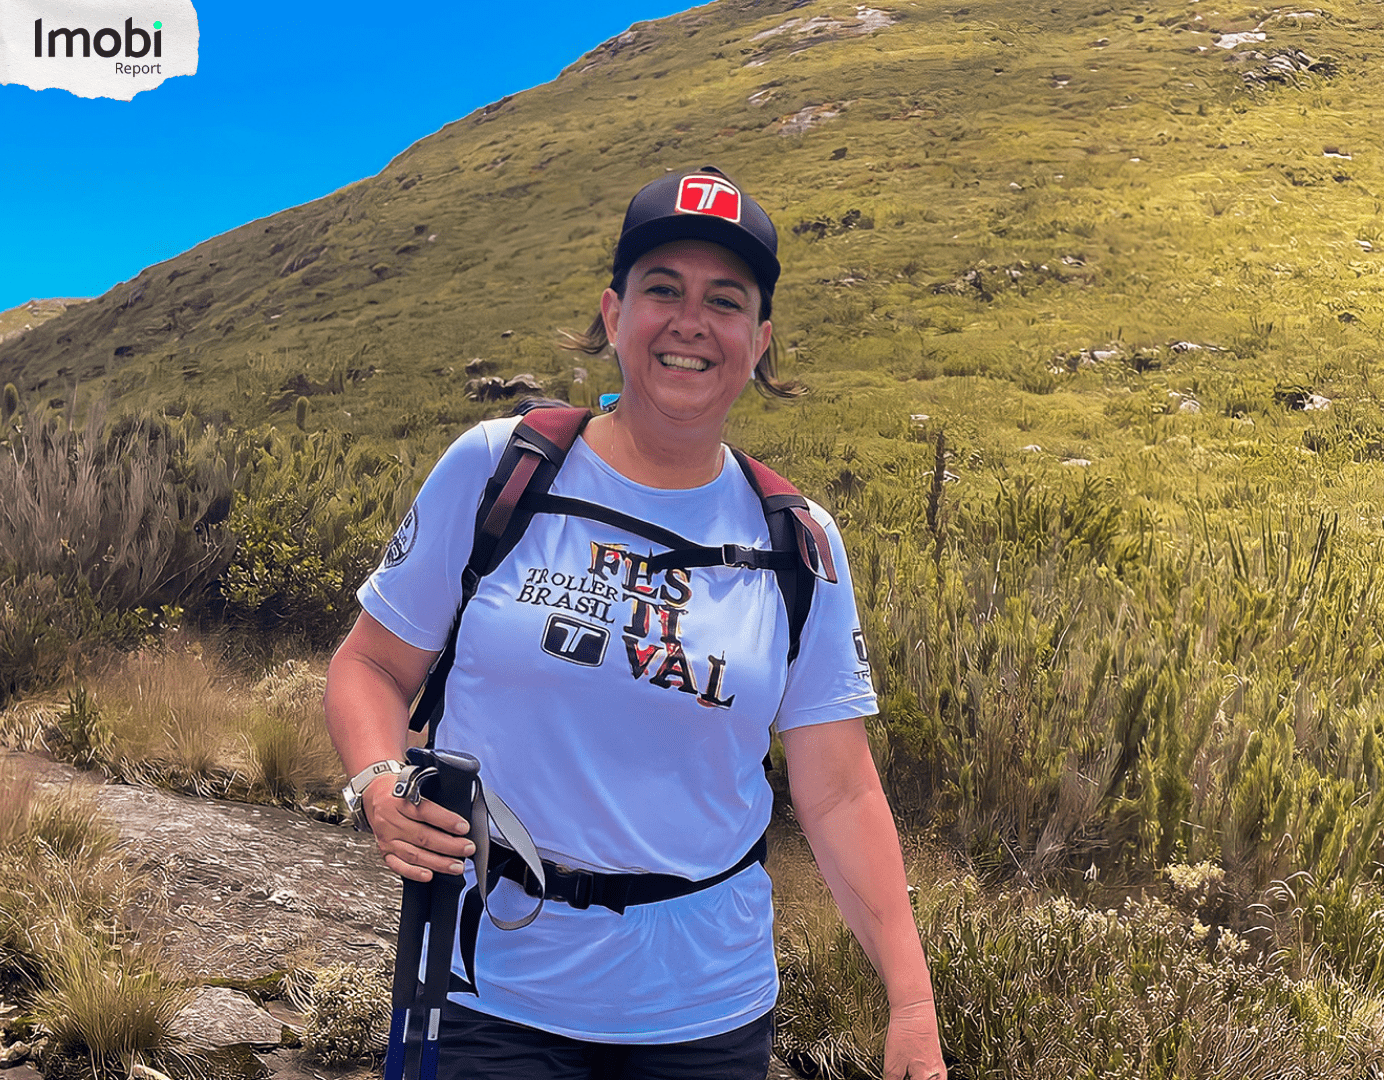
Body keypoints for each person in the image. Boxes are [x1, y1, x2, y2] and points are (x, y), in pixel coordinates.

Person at [324, 166, 947, 1080]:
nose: (691, 321)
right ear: (615, 315)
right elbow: (370, 667)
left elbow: (840, 791)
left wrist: (911, 1003)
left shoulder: (798, 543)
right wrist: (380, 781)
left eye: (724, 301)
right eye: (664, 290)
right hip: (484, 992)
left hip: (705, 1016)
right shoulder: (502, 472)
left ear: (759, 340)